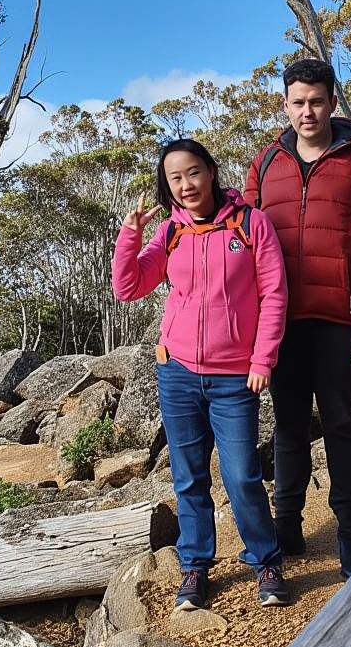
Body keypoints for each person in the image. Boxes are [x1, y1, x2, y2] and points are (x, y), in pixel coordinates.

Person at [112, 138, 290, 611]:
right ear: (166, 186)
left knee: (242, 476)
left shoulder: (251, 224)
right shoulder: (170, 232)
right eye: (175, 178)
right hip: (178, 373)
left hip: (235, 378)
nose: (186, 185)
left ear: (211, 171)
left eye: (193, 172)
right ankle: (195, 568)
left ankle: (266, 560)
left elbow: (274, 294)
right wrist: (130, 236)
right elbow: (129, 287)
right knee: (189, 479)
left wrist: (262, 360)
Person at [245, 59, 351, 579]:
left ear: (332, 103)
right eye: (298, 102)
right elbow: (239, 243)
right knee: (288, 428)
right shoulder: (265, 164)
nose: (307, 111)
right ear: (285, 105)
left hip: (342, 320)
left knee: (341, 425)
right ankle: (286, 525)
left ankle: (349, 531)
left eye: (316, 101)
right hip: (282, 323)